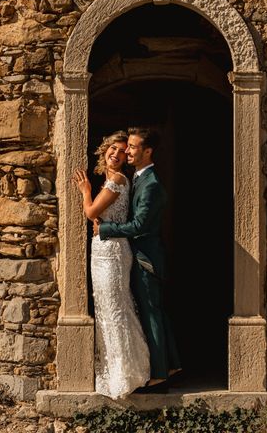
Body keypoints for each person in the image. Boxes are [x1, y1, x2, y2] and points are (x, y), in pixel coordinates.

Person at [95, 127, 182, 393]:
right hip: (137, 255)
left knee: (151, 313)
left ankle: (159, 377)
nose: (127, 152)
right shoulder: (140, 177)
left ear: (148, 151)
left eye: (132, 147)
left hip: (146, 258)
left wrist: (105, 230)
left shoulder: (152, 183)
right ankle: (170, 365)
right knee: (153, 311)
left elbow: (140, 224)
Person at [72, 130, 150, 399]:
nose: (116, 154)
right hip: (103, 250)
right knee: (109, 309)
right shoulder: (113, 179)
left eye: (121, 151)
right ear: (104, 150)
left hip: (112, 253)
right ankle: (117, 370)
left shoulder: (116, 180)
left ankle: (127, 373)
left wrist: (85, 191)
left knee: (116, 310)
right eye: (112, 149)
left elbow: (91, 213)